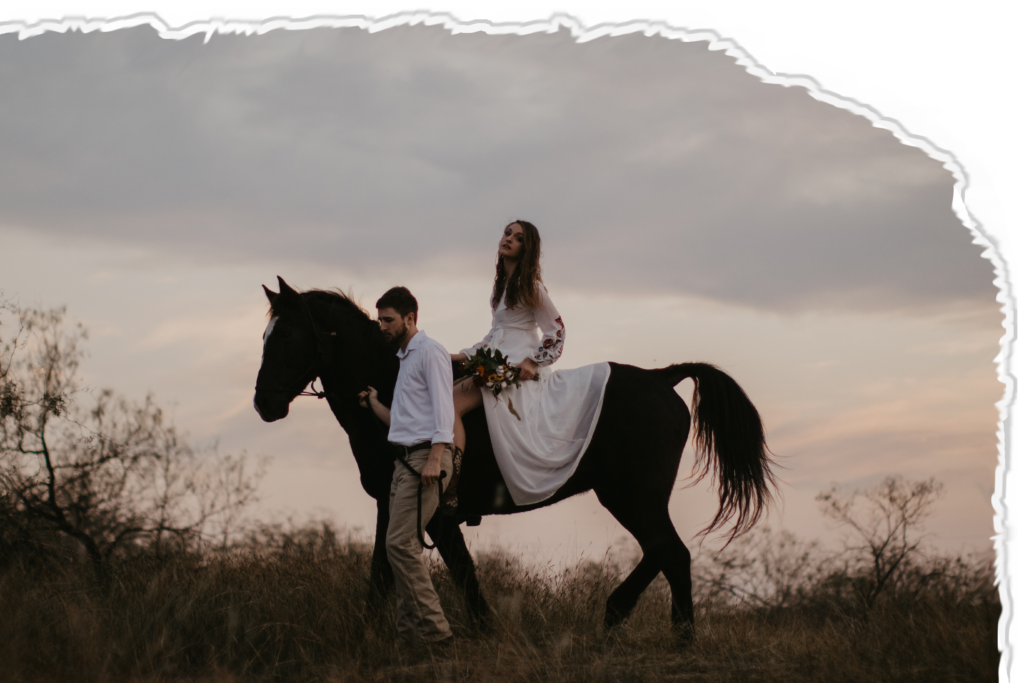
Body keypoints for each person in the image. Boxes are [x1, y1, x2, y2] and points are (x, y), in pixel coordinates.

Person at [450, 220, 611, 507]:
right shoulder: (501, 288)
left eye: (518, 238)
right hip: (495, 361)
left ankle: (451, 484)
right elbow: (494, 335)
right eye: (507, 233)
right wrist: (462, 355)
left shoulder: (530, 285)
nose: (509, 239)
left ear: (528, 248)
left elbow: (557, 329)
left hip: (513, 369)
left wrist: (534, 362)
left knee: (451, 402)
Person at [358, 286, 455, 657]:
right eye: (380, 319)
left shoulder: (430, 352)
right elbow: (400, 422)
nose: (381, 325)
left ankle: (438, 635)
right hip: (404, 461)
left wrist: (435, 457)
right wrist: (374, 403)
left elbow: (444, 410)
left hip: (424, 462)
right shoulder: (405, 359)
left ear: (410, 319)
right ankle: (409, 642)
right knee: (403, 548)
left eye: (388, 320)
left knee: (398, 545)